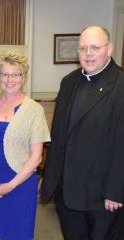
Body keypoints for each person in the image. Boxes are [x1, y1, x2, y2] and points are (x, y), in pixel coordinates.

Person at [41, 25, 124, 240]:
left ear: (110, 49)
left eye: (95, 47)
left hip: (102, 195)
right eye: (83, 48)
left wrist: (115, 191)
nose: (88, 53)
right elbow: (58, 135)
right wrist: (51, 177)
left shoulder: (121, 85)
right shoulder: (69, 81)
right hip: (67, 190)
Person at [0, 50, 50, 239]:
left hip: (20, 183)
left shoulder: (34, 110)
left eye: (15, 74)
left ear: (23, 77)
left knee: (17, 234)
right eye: (5, 73)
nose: (9, 79)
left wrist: (11, 185)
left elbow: (36, 155)